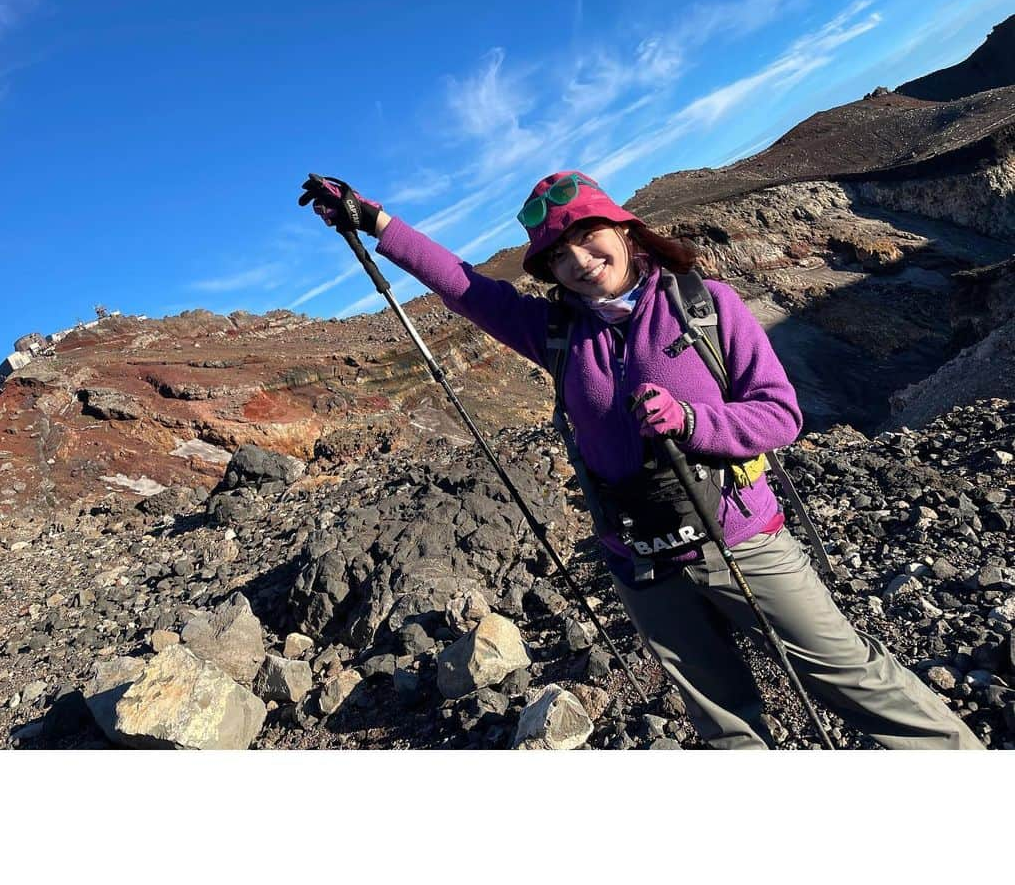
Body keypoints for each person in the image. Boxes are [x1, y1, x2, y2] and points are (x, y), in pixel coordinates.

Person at [301, 171, 984, 750]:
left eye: (584, 234)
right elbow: (464, 286)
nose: (576, 257)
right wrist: (375, 221)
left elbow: (780, 414)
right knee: (723, 727)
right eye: (557, 252)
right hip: (642, 561)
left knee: (850, 677)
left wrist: (693, 422)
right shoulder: (555, 334)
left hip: (741, 539)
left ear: (622, 231)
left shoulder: (706, 307)